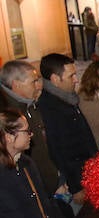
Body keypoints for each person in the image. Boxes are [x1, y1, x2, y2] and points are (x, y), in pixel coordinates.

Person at [0, 108, 68, 218]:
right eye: (26, 131)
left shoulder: (27, 163)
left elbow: (46, 201)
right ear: (9, 137)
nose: (31, 135)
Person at [38, 53, 97, 207]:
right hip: (77, 183)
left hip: (86, 174)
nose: (76, 80)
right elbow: (60, 150)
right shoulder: (51, 107)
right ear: (55, 79)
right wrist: (76, 186)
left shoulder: (66, 99)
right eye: (71, 76)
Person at [0, 60, 58, 196]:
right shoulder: (9, 115)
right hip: (34, 190)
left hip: (50, 183)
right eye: (33, 81)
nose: (39, 86)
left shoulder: (29, 104)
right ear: (16, 84)